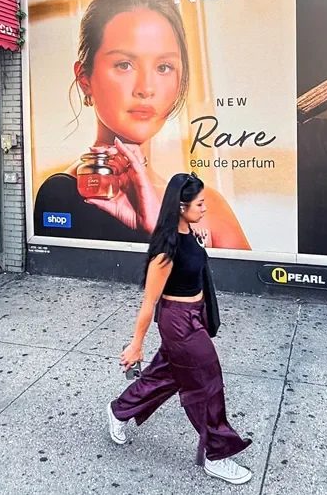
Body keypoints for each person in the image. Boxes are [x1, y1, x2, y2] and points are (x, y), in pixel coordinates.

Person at [33, 0, 251, 249]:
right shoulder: (63, 195)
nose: (147, 88)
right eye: (124, 64)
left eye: (163, 68)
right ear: (85, 79)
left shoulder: (209, 207)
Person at [106, 172, 252, 485]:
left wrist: (192, 230)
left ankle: (119, 411)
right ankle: (217, 454)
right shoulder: (165, 252)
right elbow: (149, 303)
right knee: (208, 383)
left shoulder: (188, 231)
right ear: (181, 206)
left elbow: (193, 254)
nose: (204, 208)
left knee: (166, 377)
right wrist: (136, 344)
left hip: (194, 315)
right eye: (199, 204)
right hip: (179, 323)